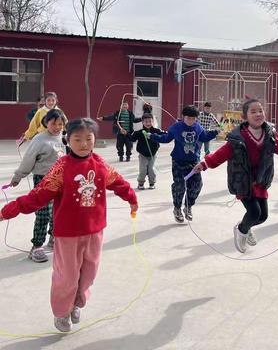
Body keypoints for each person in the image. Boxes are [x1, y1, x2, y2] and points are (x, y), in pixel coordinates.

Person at [0, 118, 138, 333]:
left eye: (88, 139)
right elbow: (37, 197)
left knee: (89, 274)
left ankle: (76, 303)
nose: (84, 144)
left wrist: (132, 198)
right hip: (67, 234)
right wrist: (7, 211)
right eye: (78, 139)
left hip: (95, 230)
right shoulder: (61, 168)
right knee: (67, 276)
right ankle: (62, 311)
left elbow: (119, 182)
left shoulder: (100, 164)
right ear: (67, 140)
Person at [193, 99, 278, 253]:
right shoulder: (238, 137)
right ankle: (241, 231)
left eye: (260, 110)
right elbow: (222, 153)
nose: (258, 114)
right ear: (244, 117)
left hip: (260, 180)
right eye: (253, 111)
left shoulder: (270, 134)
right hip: (243, 180)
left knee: (263, 216)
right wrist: (205, 164)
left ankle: (244, 227)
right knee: (254, 212)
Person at [10, 109, 67, 262]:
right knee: (43, 214)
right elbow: (28, 159)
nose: (57, 127)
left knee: (58, 211)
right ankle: (36, 246)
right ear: (45, 123)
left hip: (60, 181)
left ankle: (54, 238)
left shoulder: (64, 138)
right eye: (53, 123)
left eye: (60, 124)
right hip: (42, 180)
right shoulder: (39, 139)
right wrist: (18, 177)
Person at [148, 105, 218, 223]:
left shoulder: (198, 127)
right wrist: (152, 136)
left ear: (196, 118)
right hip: (178, 161)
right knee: (179, 185)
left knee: (197, 185)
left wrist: (216, 132)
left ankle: (188, 206)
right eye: (188, 118)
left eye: (193, 119)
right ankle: (177, 208)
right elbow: (166, 138)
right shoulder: (176, 127)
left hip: (194, 161)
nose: (191, 121)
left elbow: (204, 137)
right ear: (183, 117)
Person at [129, 113, 167, 190]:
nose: (148, 123)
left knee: (151, 169)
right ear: (142, 122)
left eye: (150, 121)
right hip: (143, 155)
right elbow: (132, 138)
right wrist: (126, 133)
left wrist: (172, 132)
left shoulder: (156, 131)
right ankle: (141, 183)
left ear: (152, 121)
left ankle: (152, 183)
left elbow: (165, 135)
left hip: (153, 154)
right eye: (146, 122)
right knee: (143, 170)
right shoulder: (139, 132)